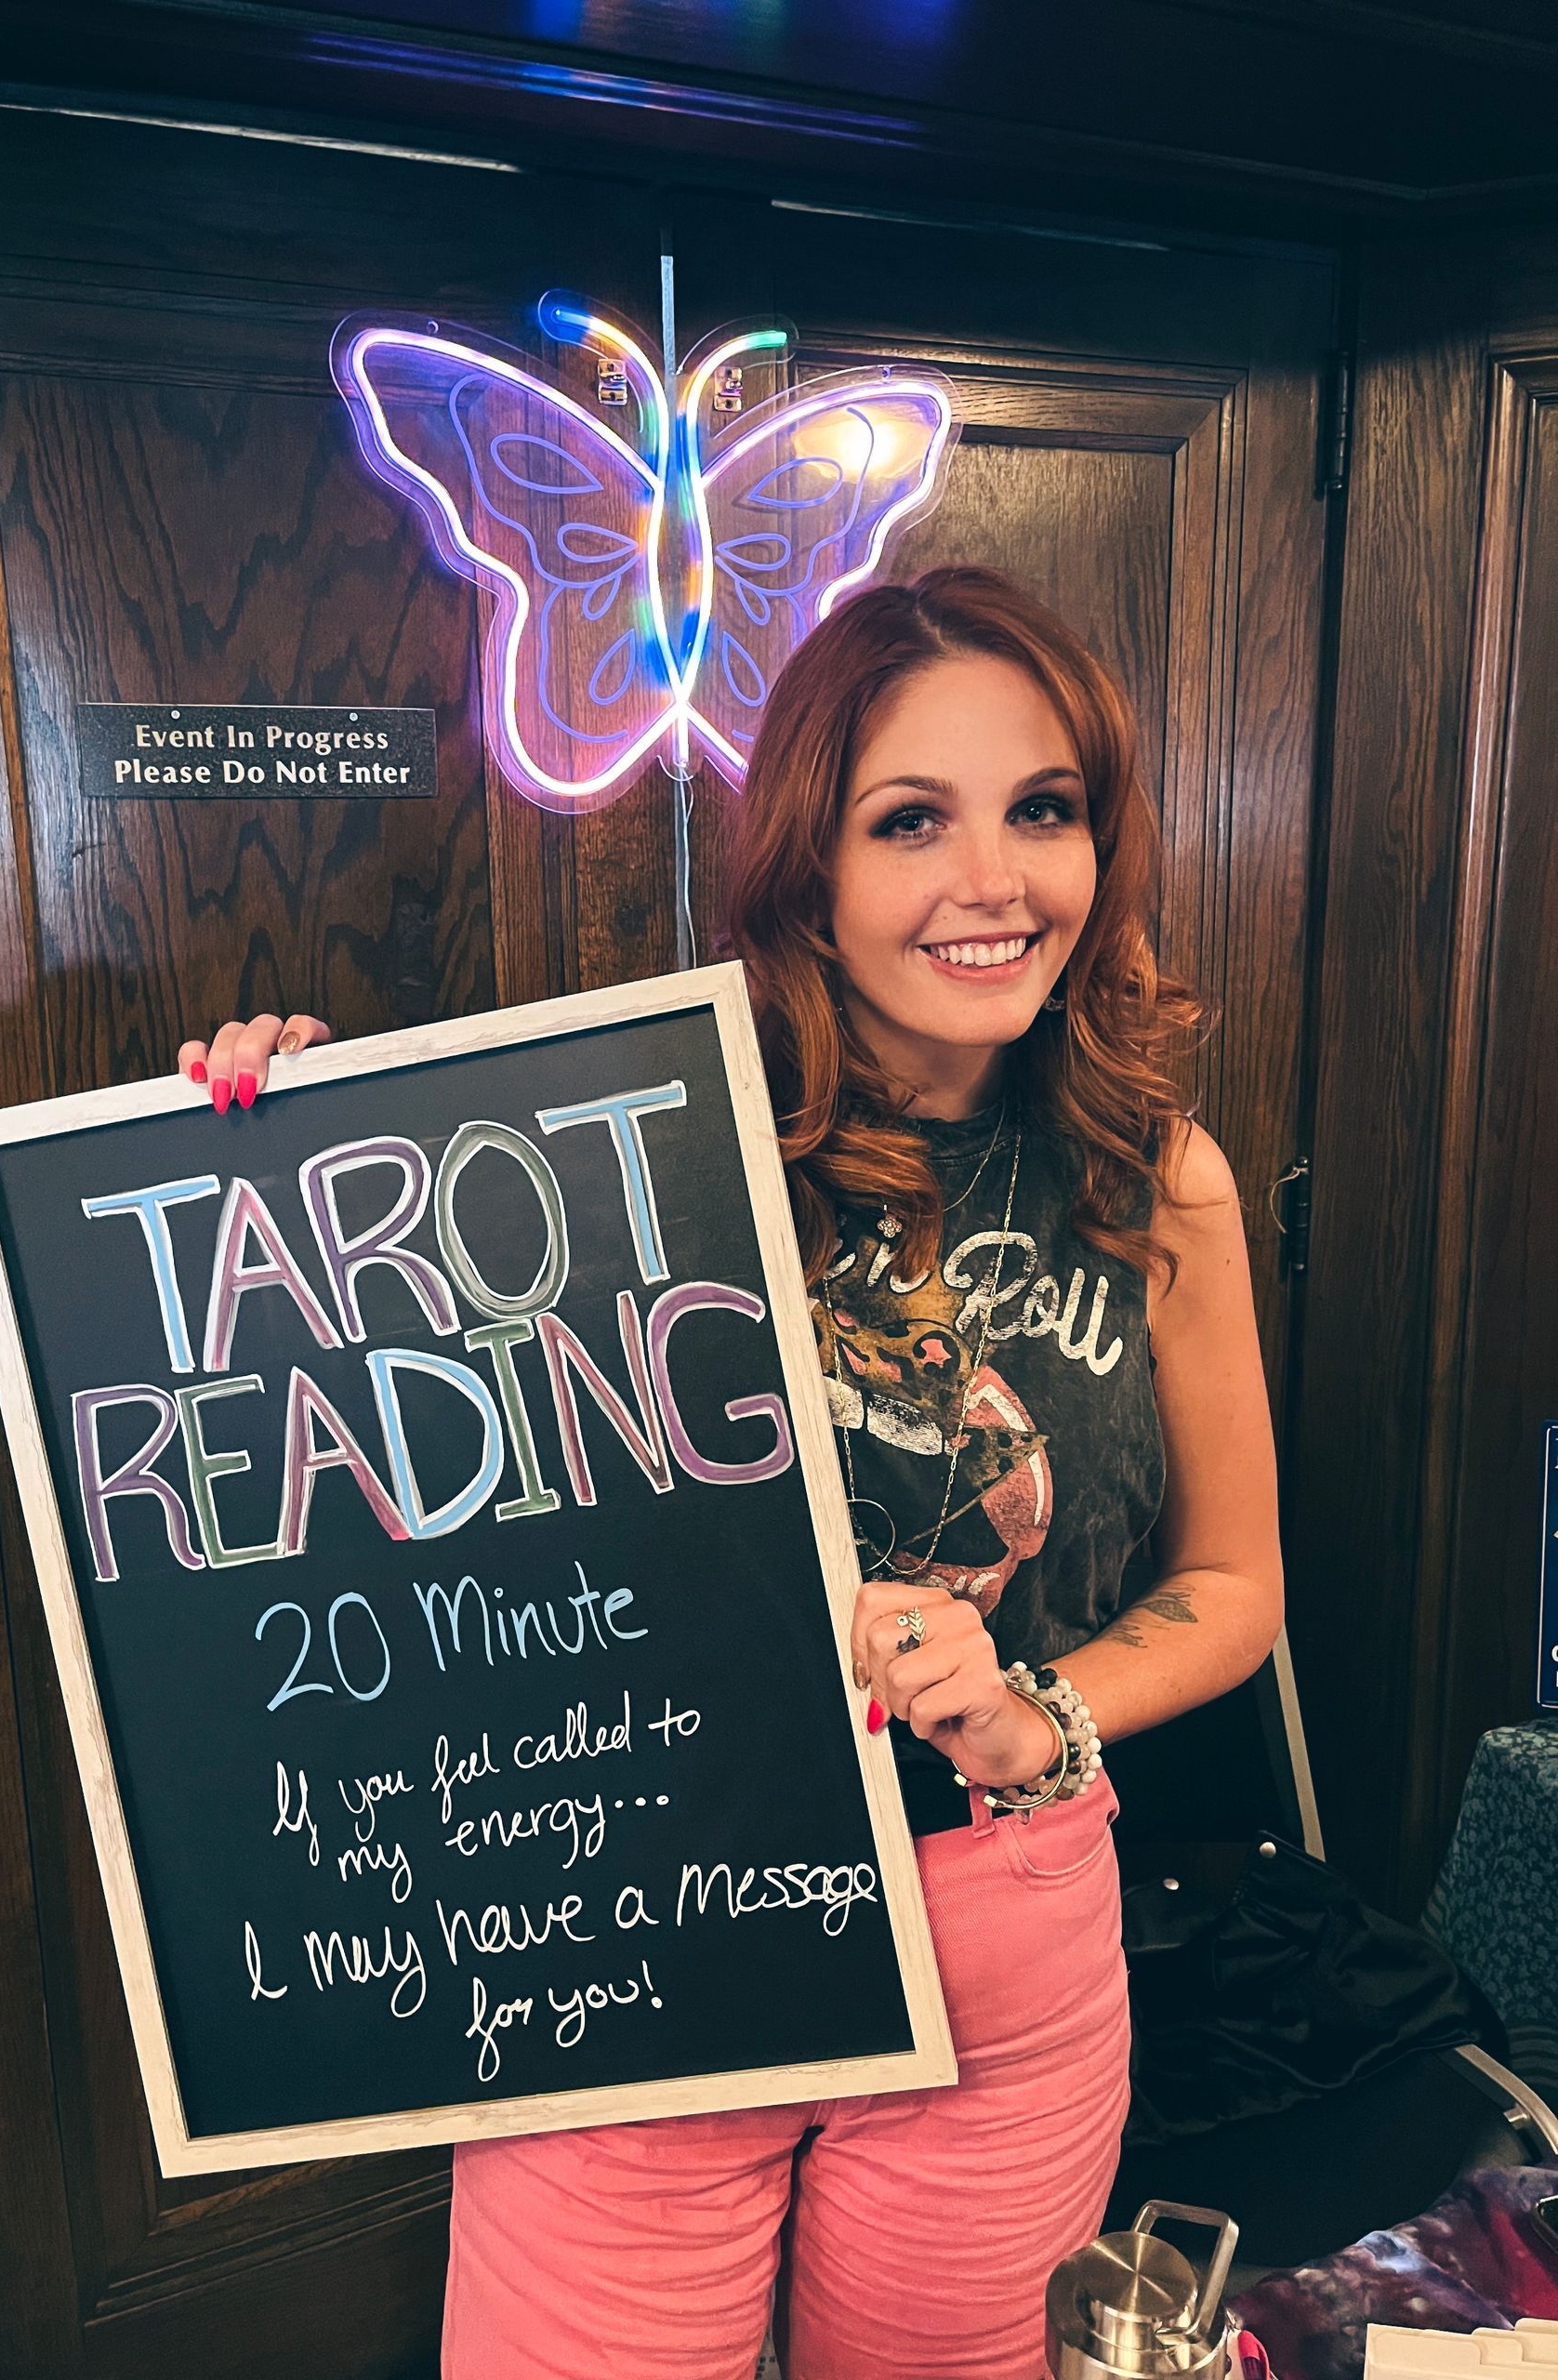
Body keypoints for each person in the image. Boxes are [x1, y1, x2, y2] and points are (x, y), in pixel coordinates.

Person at [178, 564, 1285, 2380]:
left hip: (1002, 1944)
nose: (994, 876)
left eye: (1047, 809)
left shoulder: (1157, 1181)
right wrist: (290, 1153)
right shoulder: (627, 1149)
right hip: (639, 1924)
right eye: (910, 818)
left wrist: (1040, 1713)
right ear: (808, 867)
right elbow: (384, 1477)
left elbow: (1235, 1586)